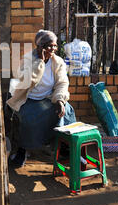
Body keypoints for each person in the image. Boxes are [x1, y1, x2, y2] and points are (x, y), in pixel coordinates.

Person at [6, 30, 76, 167]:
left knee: (66, 111)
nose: (53, 49)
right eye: (49, 46)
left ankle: (64, 148)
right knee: (28, 118)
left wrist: (60, 100)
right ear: (39, 46)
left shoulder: (58, 62)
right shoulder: (27, 60)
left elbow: (62, 83)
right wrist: (40, 62)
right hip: (28, 99)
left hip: (48, 98)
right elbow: (28, 82)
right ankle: (23, 149)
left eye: (55, 46)